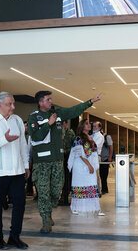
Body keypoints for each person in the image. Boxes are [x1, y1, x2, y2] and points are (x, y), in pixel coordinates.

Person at [28, 90, 102, 234]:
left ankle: (49, 209)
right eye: (48, 100)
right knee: (43, 192)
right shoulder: (34, 118)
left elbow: (74, 110)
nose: (51, 102)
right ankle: (46, 220)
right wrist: (48, 124)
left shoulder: (58, 113)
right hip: (42, 162)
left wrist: (90, 101)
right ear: (40, 102)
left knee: (56, 192)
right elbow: (36, 137)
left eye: (50, 99)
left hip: (57, 160)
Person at [0, 92, 30, 250]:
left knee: (20, 203)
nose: (13, 107)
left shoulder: (17, 120)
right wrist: (5, 139)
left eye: (13, 104)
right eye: (9, 104)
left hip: (16, 171)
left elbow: (23, 144)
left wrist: (26, 165)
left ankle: (14, 237)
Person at [68, 119, 104, 216]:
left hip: (89, 164)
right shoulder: (78, 138)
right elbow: (79, 153)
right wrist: (89, 165)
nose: (89, 125)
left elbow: (93, 152)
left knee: (92, 184)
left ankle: (95, 208)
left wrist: (92, 165)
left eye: (89, 123)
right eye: (87, 123)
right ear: (82, 126)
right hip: (80, 165)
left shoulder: (90, 137)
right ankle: (75, 207)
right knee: (79, 184)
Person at [60, 120, 76, 206]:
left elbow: (75, 146)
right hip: (60, 158)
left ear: (66, 124)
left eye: (63, 124)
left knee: (67, 178)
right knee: (61, 178)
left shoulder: (71, 134)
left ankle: (65, 197)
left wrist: (67, 151)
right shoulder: (58, 133)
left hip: (68, 158)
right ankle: (62, 197)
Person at [91, 121, 105, 198]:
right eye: (93, 126)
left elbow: (94, 146)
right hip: (90, 156)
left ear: (99, 128)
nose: (94, 127)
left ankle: (98, 191)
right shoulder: (92, 135)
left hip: (96, 156)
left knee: (96, 174)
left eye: (95, 126)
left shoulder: (100, 136)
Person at [99, 126, 113, 194]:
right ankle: (101, 189)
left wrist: (110, 157)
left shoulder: (107, 137)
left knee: (104, 175)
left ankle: (104, 189)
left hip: (105, 159)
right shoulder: (95, 136)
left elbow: (111, 147)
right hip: (98, 159)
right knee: (100, 175)